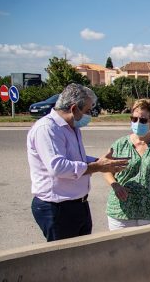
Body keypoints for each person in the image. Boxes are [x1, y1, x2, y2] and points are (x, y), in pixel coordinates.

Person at [27, 83, 128, 241]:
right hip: (57, 208)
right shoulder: (47, 129)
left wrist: (100, 161)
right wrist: (98, 167)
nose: (89, 116)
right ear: (74, 109)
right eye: (87, 111)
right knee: (64, 259)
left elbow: (75, 159)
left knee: (80, 255)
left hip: (78, 205)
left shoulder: (71, 127)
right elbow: (58, 168)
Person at [103, 99, 150, 230]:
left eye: (142, 120)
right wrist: (115, 185)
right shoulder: (120, 145)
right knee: (121, 249)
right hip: (121, 211)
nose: (137, 123)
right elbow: (106, 169)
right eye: (134, 119)